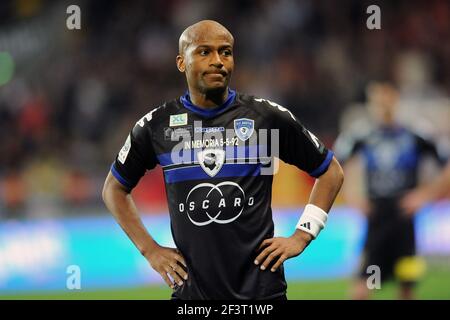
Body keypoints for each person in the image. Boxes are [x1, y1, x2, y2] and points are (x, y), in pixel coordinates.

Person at [102, 20, 344, 300]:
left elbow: (331, 171)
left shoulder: (265, 118)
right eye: (204, 52)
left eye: (225, 52)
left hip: (261, 294)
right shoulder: (157, 125)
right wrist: (150, 249)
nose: (217, 61)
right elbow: (114, 188)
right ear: (182, 62)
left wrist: (302, 235)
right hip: (192, 296)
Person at [334, 81, 445, 300]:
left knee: (406, 289)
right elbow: (333, 164)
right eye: (377, 100)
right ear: (370, 103)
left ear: (396, 99)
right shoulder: (362, 134)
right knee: (366, 286)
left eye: (387, 99)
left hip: (404, 221)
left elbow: (446, 163)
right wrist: (352, 196)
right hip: (378, 221)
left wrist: (425, 196)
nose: (383, 105)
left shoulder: (416, 133)